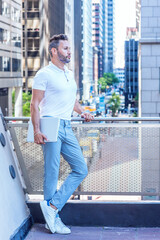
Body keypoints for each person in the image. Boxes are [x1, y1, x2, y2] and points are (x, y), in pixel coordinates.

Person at [30, 34, 94, 235]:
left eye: (69, 48)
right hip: (50, 125)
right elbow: (35, 104)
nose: (69, 52)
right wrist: (37, 130)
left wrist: (82, 111)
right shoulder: (44, 74)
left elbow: (72, 101)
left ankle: (52, 207)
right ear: (54, 51)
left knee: (81, 168)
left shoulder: (68, 73)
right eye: (65, 49)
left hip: (66, 126)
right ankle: (53, 220)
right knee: (52, 172)